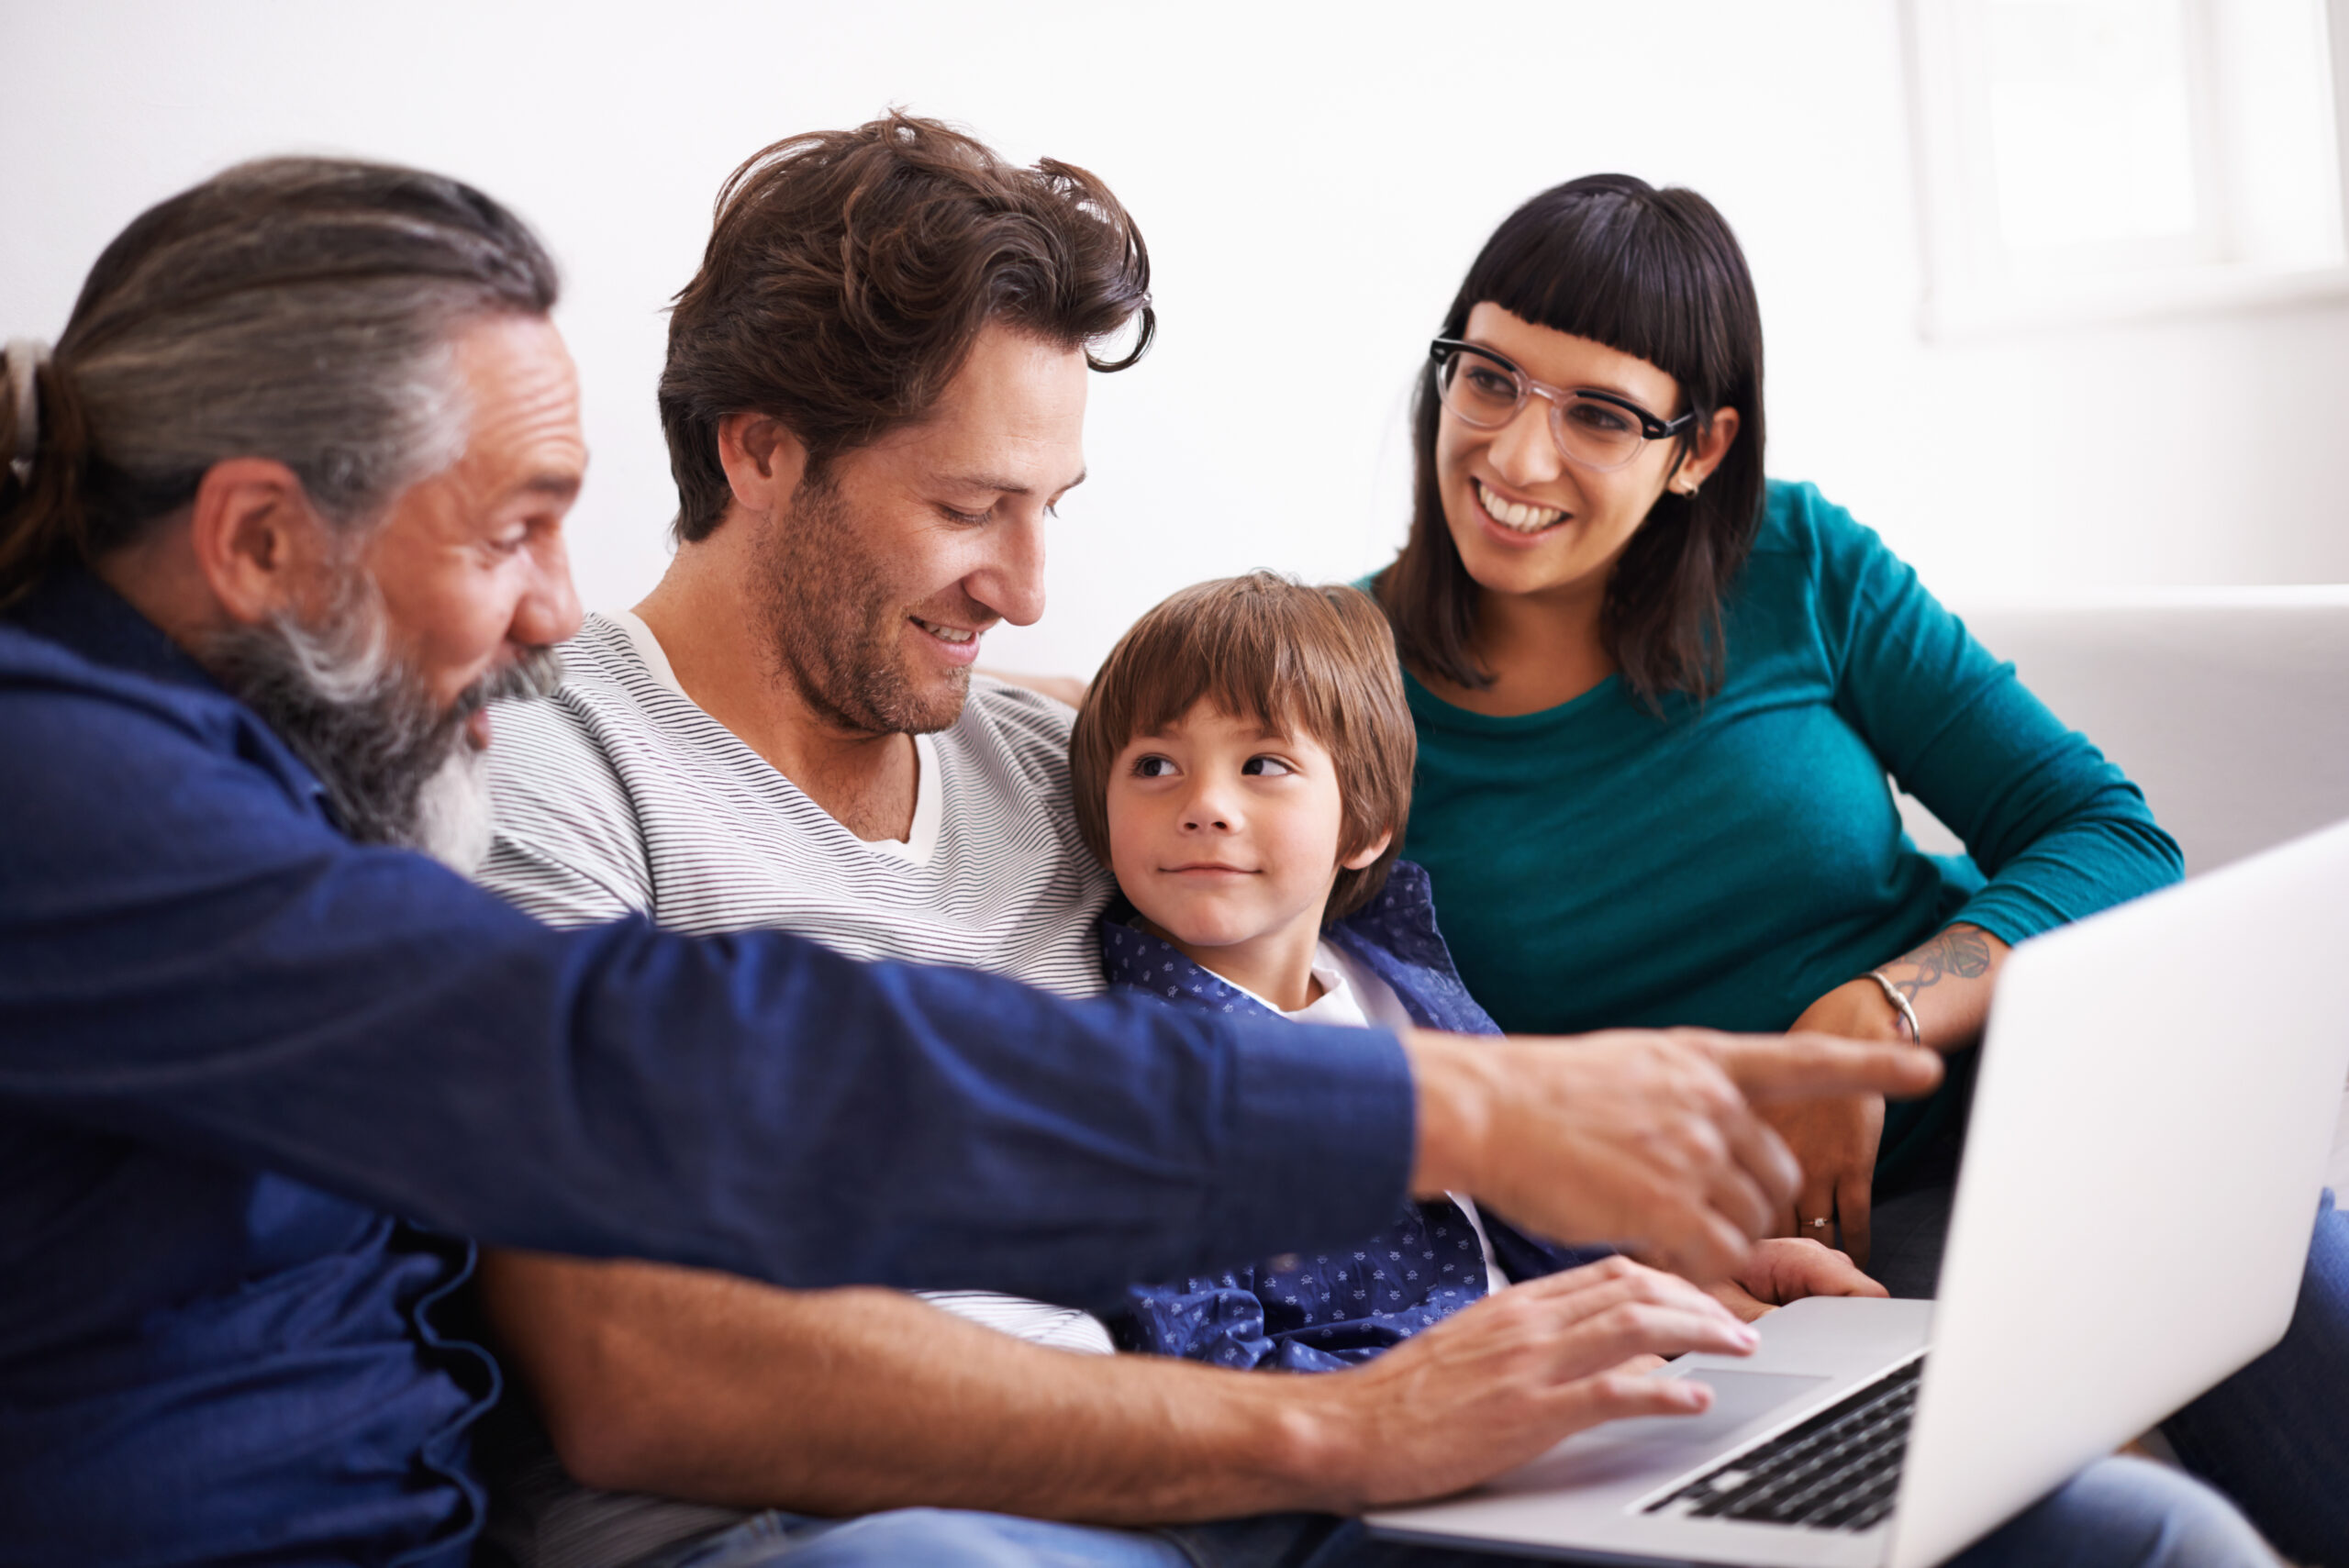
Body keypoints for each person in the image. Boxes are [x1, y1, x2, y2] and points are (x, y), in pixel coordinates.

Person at [0, 153, 1937, 1568]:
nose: (1024, 587)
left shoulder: (1066, 751)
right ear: (761, 454)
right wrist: (1433, 1168)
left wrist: (1610, 1257)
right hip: (919, 1529)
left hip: (1255, 1468)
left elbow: (1325, 884)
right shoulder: (265, 796)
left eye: (1051, 507)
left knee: (2095, 1524)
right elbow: (668, 1096)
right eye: (966, 507)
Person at [1367, 171, 2349, 1564]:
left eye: (1599, 413)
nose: (1518, 457)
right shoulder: (1342, 682)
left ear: (1699, 448)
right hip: (1781, 1275)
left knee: (2288, 1281)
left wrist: (1870, 1015)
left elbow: (2110, 835)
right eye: (1491, 378)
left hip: (2054, 1121)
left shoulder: (1795, 560)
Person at [1064, 569, 2269, 1567]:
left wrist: (1697, 1273)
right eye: (1156, 766)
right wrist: (1462, 1399)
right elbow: (1210, 1376)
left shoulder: (1391, 968)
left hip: (1575, 1425)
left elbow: (1531, 1225)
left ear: (1368, 824)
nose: (1205, 805)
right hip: (1394, 1497)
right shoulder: (1138, 1063)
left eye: (1262, 765)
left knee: (2156, 1528)